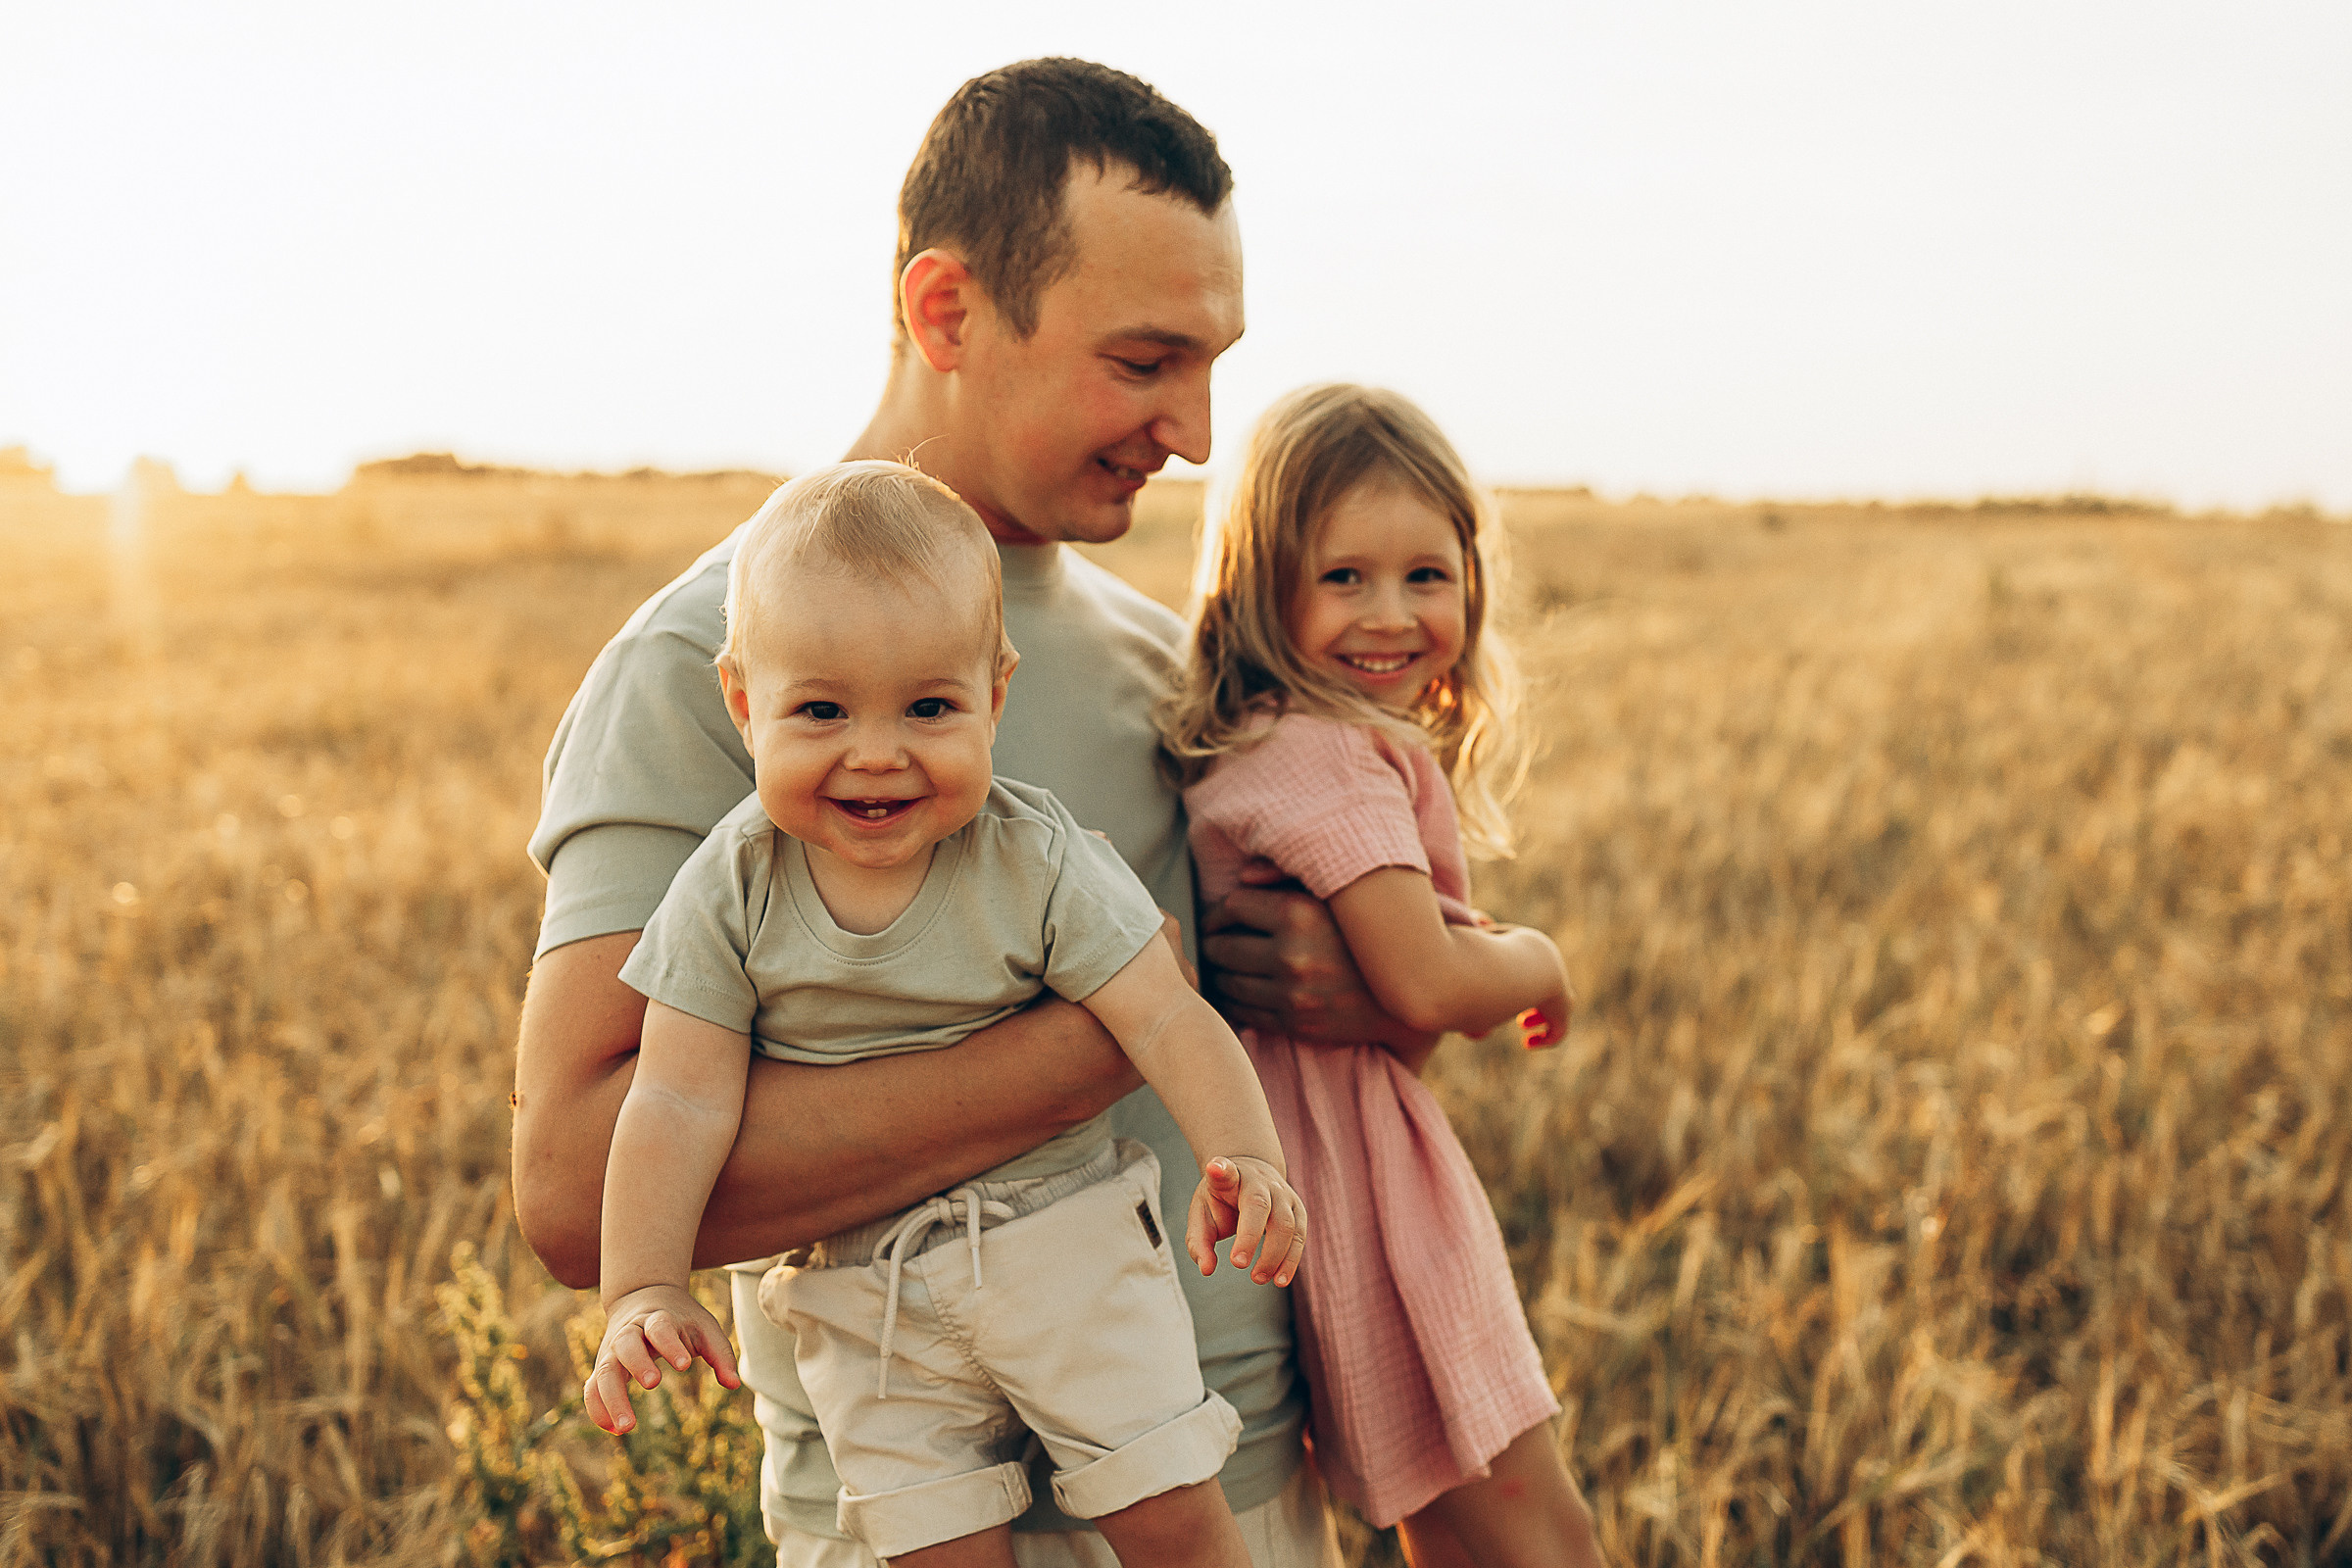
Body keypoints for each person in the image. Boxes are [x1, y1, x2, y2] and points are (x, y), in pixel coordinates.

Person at [514, 59, 1400, 1566]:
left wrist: (1361, 989)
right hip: (926, 1519)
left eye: (1212, 363)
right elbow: (578, 1190)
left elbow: (1278, 1023)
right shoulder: (697, 666)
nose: (1194, 429)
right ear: (944, 312)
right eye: (1142, 361)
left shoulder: (1167, 658)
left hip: (1232, 1476)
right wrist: (1085, 1042)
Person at [580, 462, 1305, 1568]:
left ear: (994, 695)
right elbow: (675, 1094)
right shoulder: (730, 887)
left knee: (1170, 1510)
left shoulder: (1035, 854)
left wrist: (1244, 1155)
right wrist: (643, 1280)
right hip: (862, 1292)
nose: (877, 751)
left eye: (929, 707)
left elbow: (1166, 1016)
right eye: (820, 710)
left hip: (1064, 1236)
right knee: (931, 1543)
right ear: (743, 701)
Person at [1161, 384, 1607, 1568]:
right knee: (1530, 1528)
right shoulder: (1329, 756)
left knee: (1461, 1524)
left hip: (1314, 1162)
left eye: (1427, 576)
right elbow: (1419, 984)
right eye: (1343, 577)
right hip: (1361, 1184)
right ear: (1264, 587)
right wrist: (1539, 964)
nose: (1392, 615)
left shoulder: (1271, 737)